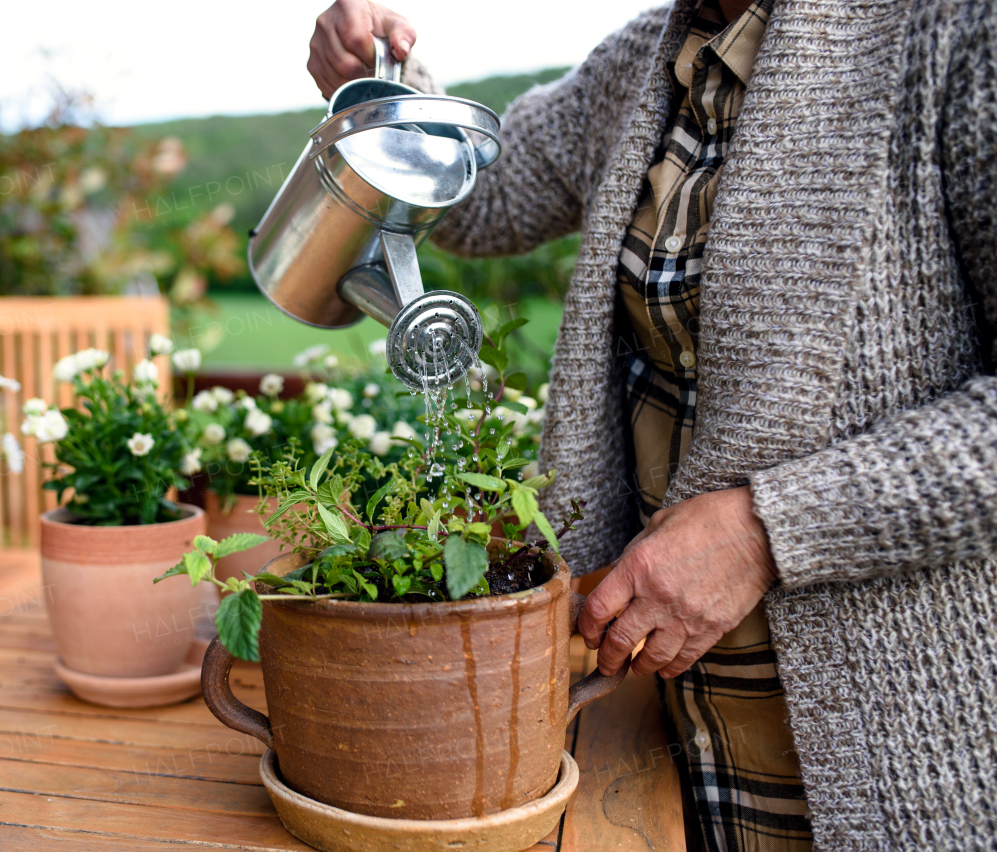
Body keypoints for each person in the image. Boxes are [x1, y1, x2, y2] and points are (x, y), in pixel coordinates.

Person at [307, 1, 997, 850]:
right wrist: (381, 85)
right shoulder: (646, 58)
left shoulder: (949, 31)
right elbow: (486, 201)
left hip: (899, 738)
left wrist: (767, 531)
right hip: (672, 718)